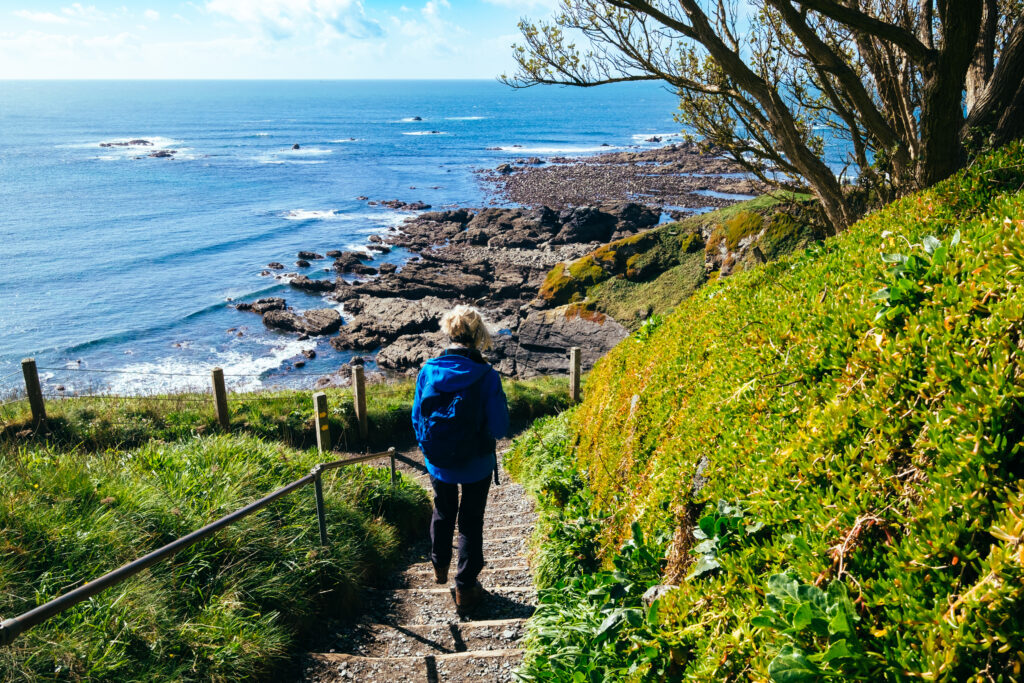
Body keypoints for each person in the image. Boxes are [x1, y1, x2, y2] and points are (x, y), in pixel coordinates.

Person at [411, 305, 510, 613]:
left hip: (439, 460)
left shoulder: (428, 370)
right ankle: (465, 588)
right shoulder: (486, 375)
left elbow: (416, 417)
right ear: (479, 334)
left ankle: (439, 564)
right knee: (470, 521)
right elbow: (500, 427)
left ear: (449, 332)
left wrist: (430, 450)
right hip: (477, 462)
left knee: (443, 510)